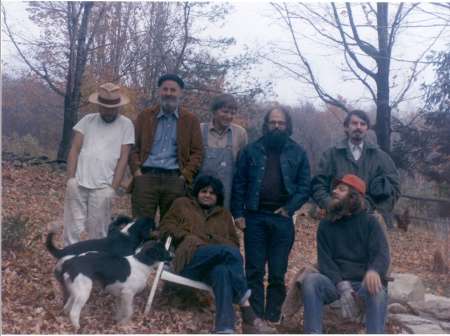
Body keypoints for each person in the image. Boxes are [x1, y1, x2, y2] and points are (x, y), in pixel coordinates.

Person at [159, 175, 275, 334]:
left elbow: (234, 244)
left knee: (222, 272)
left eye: (212, 193)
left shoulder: (224, 215)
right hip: (188, 259)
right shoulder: (182, 204)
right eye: (204, 191)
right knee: (227, 252)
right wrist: (187, 236)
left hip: (211, 265)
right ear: (197, 192)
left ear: (217, 197)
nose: (207, 195)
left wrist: (211, 239)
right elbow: (165, 227)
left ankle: (224, 328)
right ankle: (245, 305)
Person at [231, 104, 311, 323]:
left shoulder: (298, 152)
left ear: (287, 126)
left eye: (281, 123)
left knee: (277, 271)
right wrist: (238, 212)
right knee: (254, 269)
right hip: (255, 216)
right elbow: (239, 183)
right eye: (272, 122)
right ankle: (254, 315)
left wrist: (289, 208)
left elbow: (305, 187)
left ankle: (274, 315)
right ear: (266, 125)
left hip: (282, 219)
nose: (276, 126)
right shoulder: (251, 150)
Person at [302, 174, 390, 334]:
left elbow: (381, 254)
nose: (334, 191)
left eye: (341, 189)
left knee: (377, 290)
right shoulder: (325, 225)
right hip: (335, 284)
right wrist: (341, 286)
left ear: (353, 197)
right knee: (311, 280)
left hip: (363, 284)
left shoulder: (371, 223)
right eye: (335, 188)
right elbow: (325, 262)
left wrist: (374, 270)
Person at [63, 82, 134, 246]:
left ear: (118, 106)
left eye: (112, 107)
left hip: (104, 186)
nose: (109, 110)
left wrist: (113, 188)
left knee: (98, 231)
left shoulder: (126, 125)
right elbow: (74, 149)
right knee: (72, 228)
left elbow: (124, 158)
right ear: (99, 106)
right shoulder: (87, 120)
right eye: (105, 107)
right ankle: (68, 262)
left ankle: (93, 266)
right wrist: (70, 179)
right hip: (79, 181)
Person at [129, 74, 203, 222]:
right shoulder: (145, 116)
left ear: (180, 93)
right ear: (159, 91)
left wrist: (185, 176)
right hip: (146, 177)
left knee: (172, 226)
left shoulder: (190, 120)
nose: (168, 93)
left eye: (173, 90)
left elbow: (198, 152)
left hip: (175, 179)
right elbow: (133, 147)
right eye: (165, 89)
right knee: (139, 225)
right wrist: (137, 172)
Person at [311, 109, 401, 228]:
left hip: (368, 223)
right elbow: (318, 185)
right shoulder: (331, 155)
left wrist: (379, 210)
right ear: (346, 127)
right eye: (354, 123)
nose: (358, 127)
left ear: (367, 129)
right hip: (335, 221)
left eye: (363, 124)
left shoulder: (381, 157)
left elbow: (394, 188)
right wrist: (329, 204)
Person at [199, 93, 248, 209]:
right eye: (225, 111)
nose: (229, 116)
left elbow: (243, 167)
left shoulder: (240, 133)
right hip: (200, 191)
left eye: (232, 113)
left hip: (227, 192)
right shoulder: (199, 129)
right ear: (214, 111)